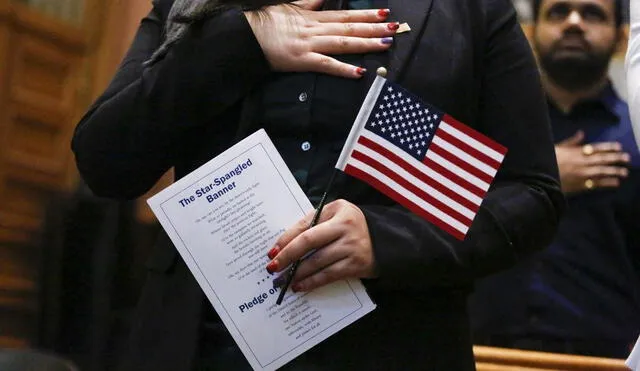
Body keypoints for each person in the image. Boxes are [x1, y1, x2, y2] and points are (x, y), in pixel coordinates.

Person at [71, 0, 564, 369]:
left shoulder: (471, 10)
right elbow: (105, 163)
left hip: (394, 342)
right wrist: (242, 41)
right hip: (201, 346)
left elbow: (533, 194)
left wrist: (385, 241)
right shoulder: (197, 3)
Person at [470, 0, 640, 359]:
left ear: (622, 38)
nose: (574, 23)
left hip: (604, 356)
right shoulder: (489, 132)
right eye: (559, 12)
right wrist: (541, 179)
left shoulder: (636, 139)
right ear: (530, 34)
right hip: (482, 349)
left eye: (593, 14)